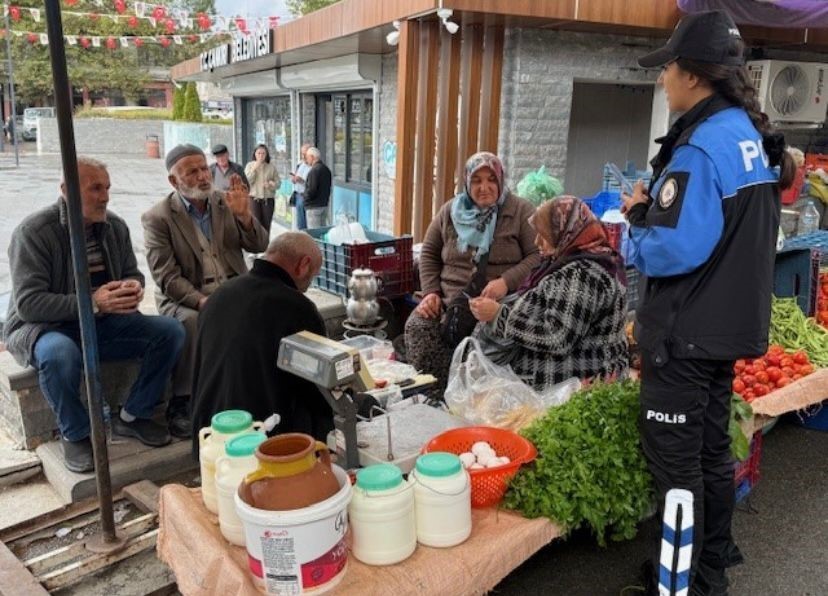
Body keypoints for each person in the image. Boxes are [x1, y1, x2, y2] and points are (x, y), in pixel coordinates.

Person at [623, 11, 796, 596]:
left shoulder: (700, 146)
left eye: (667, 68)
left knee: (676, 470)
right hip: (724, 329)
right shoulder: (749, 135)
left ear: (693, 75)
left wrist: (633, 226)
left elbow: (676, 247)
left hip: (687, 331)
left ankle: (677, 587)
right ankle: (709, 572)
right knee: (709, 453)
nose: (661, 79)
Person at [3, 157, 186, 473]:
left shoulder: (114, 226)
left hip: (101, 323)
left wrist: (132, 288)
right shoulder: (34, 232)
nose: (105, 197)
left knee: (171, 331)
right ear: (66, 190)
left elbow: (133, 273)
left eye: (107, 188)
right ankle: (75, 433)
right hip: (44, 328)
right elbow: (29, 304)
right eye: (95, 189)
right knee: (60, 353)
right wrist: (93, 302)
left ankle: (135, 413)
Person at [142, 144, 269, 439]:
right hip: (187, 297)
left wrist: (245, 217)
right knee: (193, 323)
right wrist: (202, 301)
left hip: (231, 289)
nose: (202, 177)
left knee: (273, 307)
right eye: (192, 172)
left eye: (204, 168)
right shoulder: (158, 218)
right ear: (174, 181)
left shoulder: (225, 202)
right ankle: (183, 402)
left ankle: (259, 389)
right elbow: (166, 276)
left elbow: (260, 245)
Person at [404, 152, 541, 395]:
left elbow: (537, 256)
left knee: (480, 340)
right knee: (417, 326)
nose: (484, 187)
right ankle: (439, 392)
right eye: (476, 180)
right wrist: (431, 293)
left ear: (500, 180)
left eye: (491, 180)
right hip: (450, 302)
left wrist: (506, 282)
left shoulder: (520, 211)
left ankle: (468, 395)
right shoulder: (450, 211)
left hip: (497, 303)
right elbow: (429, 253)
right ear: (467, 182)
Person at [190, 232, 332, 455]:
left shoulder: (219, 295)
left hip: (209, 432)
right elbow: (319, 385)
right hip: (259, 439)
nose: (306, 286)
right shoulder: (297, 307)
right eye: (311, 277)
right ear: (303, 265)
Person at [469, 196, 628, 390]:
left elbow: (557, 338)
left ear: (566, 232)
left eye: (543, 235)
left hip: (570, 389)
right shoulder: (576, 261)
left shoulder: (581, 275)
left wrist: (499, 316)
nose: (537, 241)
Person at [244, 143, 280, 236]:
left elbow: (278, 183)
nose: (261, 155)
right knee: (256, 224)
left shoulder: (271, 167)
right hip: (254, 199)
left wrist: (271, 184)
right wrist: (254, 169)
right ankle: (257, 245)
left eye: (263, 153)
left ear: (266, 155)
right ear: (255, 154)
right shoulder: (250, 165)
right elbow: (246, 181)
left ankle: (266, 245)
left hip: (268, 200)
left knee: (266, 224)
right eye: (259, 153)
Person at [303, 147, 332, 228]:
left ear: (312, 157)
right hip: (324, 204)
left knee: (313, 234)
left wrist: (305, 198)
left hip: (313, 206)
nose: (306, 160)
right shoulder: (326, 169)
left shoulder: (314, 171)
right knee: (321, 231)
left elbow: (311, 190)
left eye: (307, 157)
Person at [290, 143, 312, 230]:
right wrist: (294, 179)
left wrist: (301, 180)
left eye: (305, 154)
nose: (303, 156)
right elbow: (297, 176)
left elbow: (312, 183)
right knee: (300, 222)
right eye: (302, 153)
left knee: (307, 223)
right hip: (298, 195)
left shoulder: (314, 167)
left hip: (306, 195)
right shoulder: (300, 164)